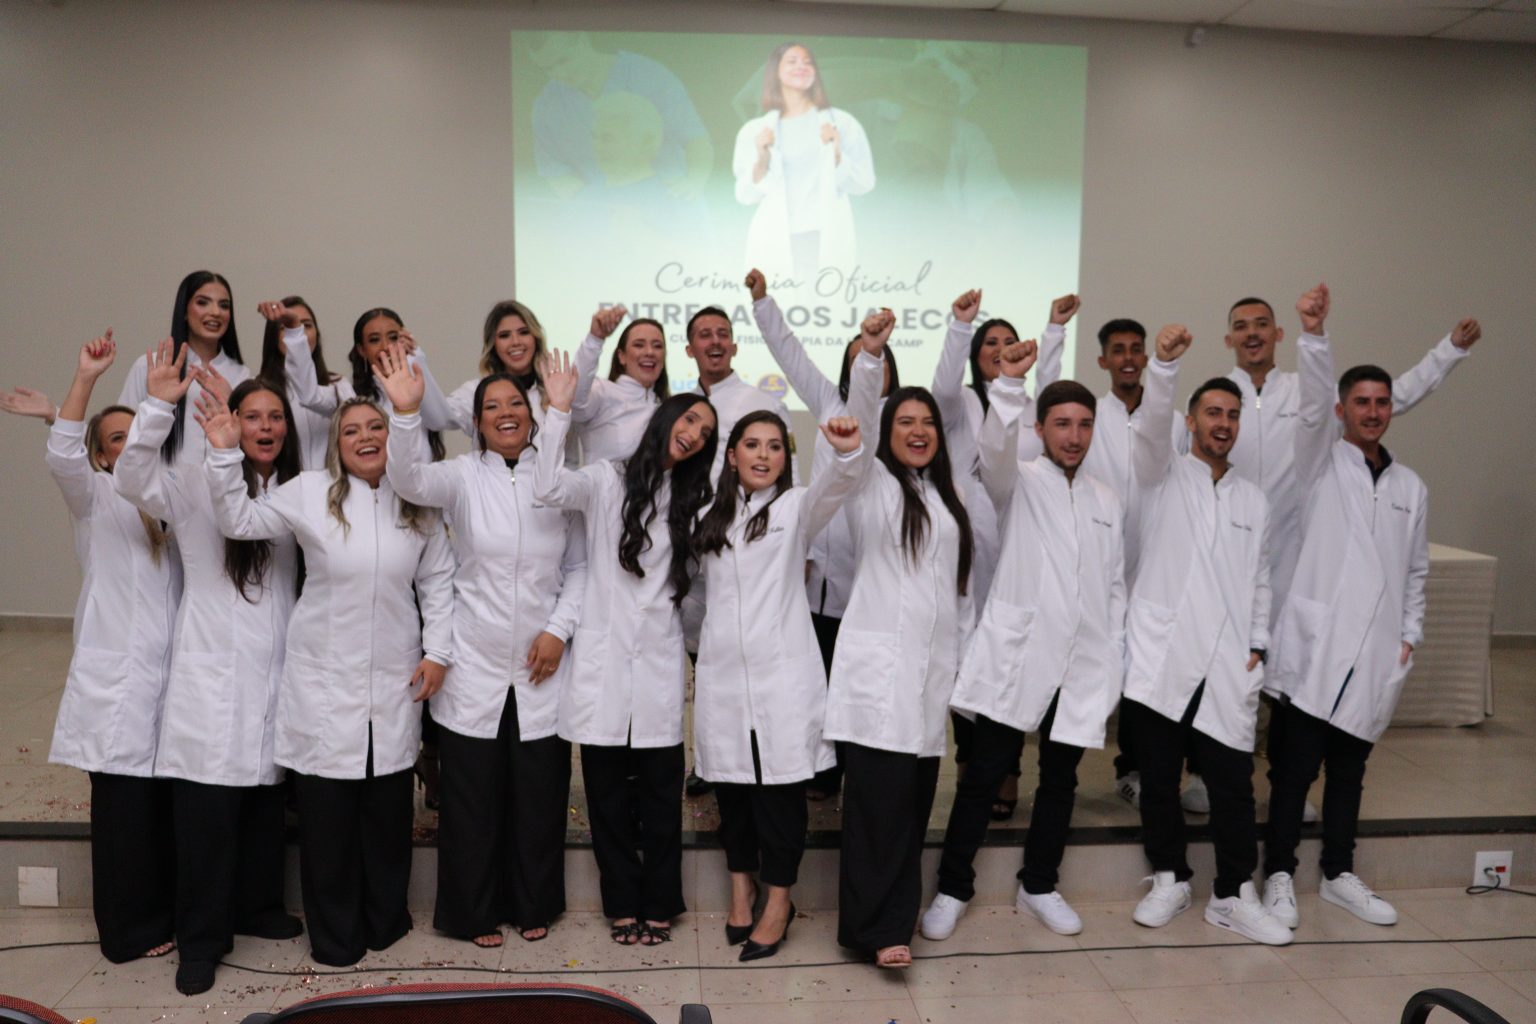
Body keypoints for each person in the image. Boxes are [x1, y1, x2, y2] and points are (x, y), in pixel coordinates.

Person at [200, 384, 454, 968]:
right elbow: (239, 519)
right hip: (325, 680)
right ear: (336, 445)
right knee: (329, 823)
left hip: (393, 680)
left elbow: (439, 582)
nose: (365, 438)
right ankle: (336, 938)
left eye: (376, 427)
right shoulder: (308, 492)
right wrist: (223, 454)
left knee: (386, 815)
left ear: (394, 437)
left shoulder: (417, 503)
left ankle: (385, 923)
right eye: (351, 430)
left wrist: (438, 652)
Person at [377, 351, 586, 947]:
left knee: (539, 798)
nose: (505, 412)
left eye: (516, 403)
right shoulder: (462, 476)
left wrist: (559, 629)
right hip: (474, 663)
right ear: (476, 422)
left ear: (534, 414)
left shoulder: (559, 478)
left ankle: (533, 902)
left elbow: (580, 568)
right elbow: (409, 480)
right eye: (491, 406)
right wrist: (406, 413)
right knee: (472, 803)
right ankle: (472, 913)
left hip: (543, 666)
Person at [115, 342, 304, 996]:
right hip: (211, 673)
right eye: (252, 417)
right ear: (228, 422)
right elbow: (131, 478)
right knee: (206, 818)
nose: (265, 428)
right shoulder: (195, 480)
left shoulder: (294, 492)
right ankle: (200, 941)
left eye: (275, 417)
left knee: (262, 805)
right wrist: (156, 407)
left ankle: (257, 907)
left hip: (272, 672)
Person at [922, 350, 1124, 944]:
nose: (1074, 436)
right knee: (984, 775)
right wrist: (1009, 383)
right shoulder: (1019, 482)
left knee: (1061, 780)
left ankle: (1039, 883)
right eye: (1061, 424)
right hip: (1020, 655)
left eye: (1083, 425)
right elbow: (994, 452)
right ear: (1040, 428)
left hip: (1081, 662)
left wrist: (1113, 655)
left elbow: (1114, 587)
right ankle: (953, 888)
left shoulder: (1107, 499)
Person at [691, 343, 883, 963]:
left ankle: (778, 900)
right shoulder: (708, 516)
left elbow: (841, 481)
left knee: (778, 793)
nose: (763, 455)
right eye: (752, 445)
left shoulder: (798, 508)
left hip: (782, 677)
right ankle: (740, 889)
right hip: (723, 676)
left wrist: (847, 448)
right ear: (731, 455)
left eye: (775, 446)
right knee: (732, 790)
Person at [2, 333, 180, 966]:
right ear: (102, 457)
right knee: (123, 816)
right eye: (116, 440)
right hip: (117, 689)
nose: (130, 446)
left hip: (169, 687)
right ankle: (126, 931)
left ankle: (164, 911)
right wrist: (83, 381)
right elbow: (63, 456)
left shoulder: (171, 501)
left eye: (138, 435)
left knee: (159, 812)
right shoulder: (94, 499)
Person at [534, 350, 718, 948]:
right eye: (689, 420)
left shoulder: (695, 497)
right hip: (605, 661)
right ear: (665, 419)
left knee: (663, 795)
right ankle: (621, 902)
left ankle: (659, 902)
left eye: (705, 432)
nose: (694, 434)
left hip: (659, 660)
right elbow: (548, 487)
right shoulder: (606, 478)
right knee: (607, 797)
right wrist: (558, 412)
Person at [1118, 326, 1290, 946]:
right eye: (1213, 413)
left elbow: (1262, 579)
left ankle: (1233, 893)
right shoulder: (1161, 475)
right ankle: (1170, 877)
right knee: (1159, 779)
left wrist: (1259, 643)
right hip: (1163, 656)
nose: (1224, 424)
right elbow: (1151, 424)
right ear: (1190, 422)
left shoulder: (1253, 500)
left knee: (1233, 785)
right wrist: (1164, 367)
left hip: (1227, 663)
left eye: (1233, 415)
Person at [1261, 347, 1439, 931]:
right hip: (1318, 649)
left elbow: (1415, 570)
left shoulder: (1410, 486)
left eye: (1382, 402)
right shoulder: (1319, 463)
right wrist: (1315, 335)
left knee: (1349, 772)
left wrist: (1408, 636)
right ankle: (1279, 873)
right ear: (1341, 410)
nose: (1373, 411)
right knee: (1294, 773)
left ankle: (1338, 873)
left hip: (1376, 653)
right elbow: (1311, 406)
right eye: (1361, 402)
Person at [826, 383, 974, 969]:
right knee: (877, 813)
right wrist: (868, 359)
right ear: (886, 433)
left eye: (927, 421)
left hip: (927, 682)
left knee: (910, 810)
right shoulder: (874, 485)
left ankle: (895, 919)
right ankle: (876, 931)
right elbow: (856, 442)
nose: (918, 431)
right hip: (880, 682)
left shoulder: (944, 495)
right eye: (904, 421)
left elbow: (954, 595)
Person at [748, 267, 900, 801]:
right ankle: (824, 768)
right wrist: (763, 302)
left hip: (868, 570)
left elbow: (866, 411)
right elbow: (790, 354)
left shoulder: (893, 419)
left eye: (874, 357)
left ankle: (855, 765)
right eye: (857, 356)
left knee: (856, 674)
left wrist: (871, 358)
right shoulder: (828, 403)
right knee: (819, 672)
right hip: (818, 575)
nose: (865, 363)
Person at [930, 288, 1074, 820]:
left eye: (1008, 340)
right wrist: (959, 325)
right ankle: (970, 764)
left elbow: (1054, 384)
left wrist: (1054, 330)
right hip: (967, 554)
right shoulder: (959, 405)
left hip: (1020, 548)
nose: (999, 348)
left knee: (1012, 662)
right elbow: (943, 384)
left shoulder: (1035, 410)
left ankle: (1008, 770)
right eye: (989, 342)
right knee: (965, 663)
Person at [680, 301, 797, 798]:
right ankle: (709, 755)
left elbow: (788, 475)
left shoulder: (757, 400)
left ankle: (751, 753)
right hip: (688, 547)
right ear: (690, 348)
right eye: (704, 334)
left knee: (744, 654)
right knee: (702, 658)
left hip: (748, 546)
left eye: (722, 333)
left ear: (733, 344)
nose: (715, 341)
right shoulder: (680, 405)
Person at [734, 42, 875, 281]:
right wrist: (762, 158)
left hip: (823, 232)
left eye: (808, 62)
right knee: (775, 299)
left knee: (823, 297)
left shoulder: (841, 123)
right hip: (775, 233)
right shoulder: (756, 130)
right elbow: (745, 195)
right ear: (775, 72)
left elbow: (864, 183)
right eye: (792, 61)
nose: (801, 66)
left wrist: (837, 154)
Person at [528, 32, 713, 200]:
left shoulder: (648, 76)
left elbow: (696, 140)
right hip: (603, 211)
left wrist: (693, 184)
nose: (560, 74)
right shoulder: (547, 105)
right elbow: (556, 173)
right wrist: (593, 206)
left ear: (583, 41)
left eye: (563, 61)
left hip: (669, 201)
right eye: (548, 68)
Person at [276, 303, 453, 464]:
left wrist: (416, 359)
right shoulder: (348, 393)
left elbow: (441, 420)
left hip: (420, 487)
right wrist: (294, 333)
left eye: (393, 338)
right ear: (362, 350)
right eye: (374, 340)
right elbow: (309, 396)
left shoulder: (416, 387)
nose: (385, 347)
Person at [117, 270, 251, 466]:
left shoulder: (242, 375)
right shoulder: (150, 367)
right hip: (159, 483)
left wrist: (232, 403)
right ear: (185, 311)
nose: (215, 312)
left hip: (223, 482)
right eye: (203, 302)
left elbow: (253, 444)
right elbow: (122, 432)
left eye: (224, 305)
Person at [571, 307, 668, 464]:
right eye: (639, 345)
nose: (650, 352)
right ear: (621, 356)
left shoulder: (667, 408)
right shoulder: (602, 392)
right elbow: (575, 401)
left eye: (657, 346)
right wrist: (595, 340)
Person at [444, 300, 550, 437]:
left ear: (536, 338)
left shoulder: (557, 390)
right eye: (504, 335)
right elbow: (441, 418)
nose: (515, 342)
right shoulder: (476, 391)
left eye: (524, 332)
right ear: (493, 344)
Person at [257, 295, 338, 469]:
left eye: (306, 325)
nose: (300, 333)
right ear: (273, 337)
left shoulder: (338, 385)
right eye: (286, 327)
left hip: (333, 484)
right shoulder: (258, 391)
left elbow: (310, 396)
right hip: (283, 484)